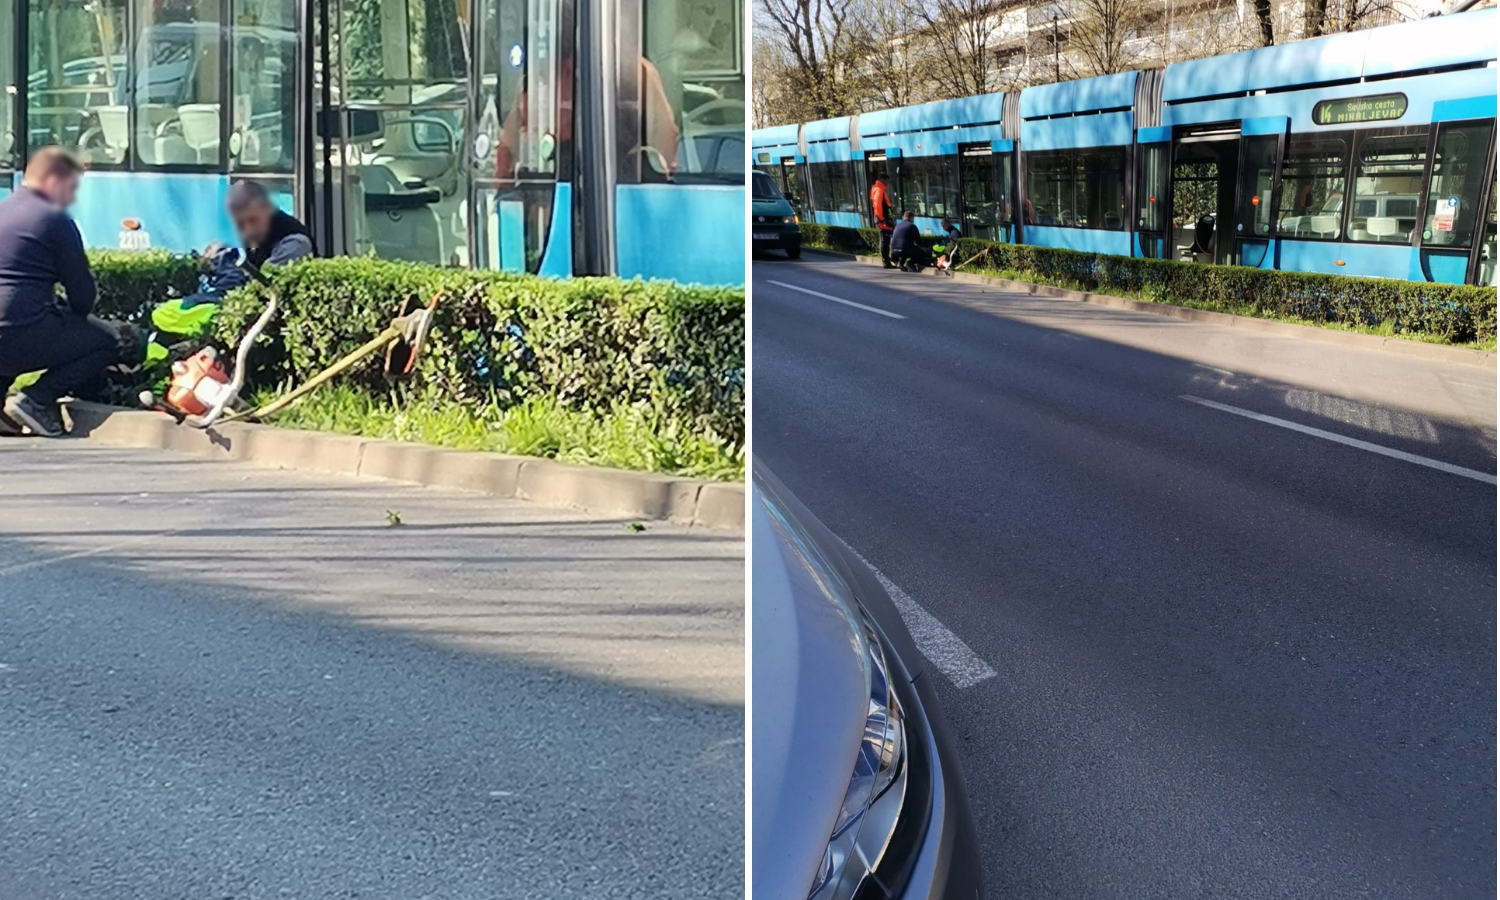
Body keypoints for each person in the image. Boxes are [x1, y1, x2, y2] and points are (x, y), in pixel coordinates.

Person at [0, 147, 116, 437]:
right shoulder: (54, 219)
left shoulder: (4, 209)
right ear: (53, 181)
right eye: (71, 187)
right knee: (105, 342)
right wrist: (82, 319)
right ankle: (37, 400)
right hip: (19, 331)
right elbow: (82, 296)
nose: (73, 198)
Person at [146, 180, 313, 364]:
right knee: (163, 318)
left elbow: (263, 286)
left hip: (265, 317)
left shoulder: (295, 243)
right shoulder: (256, 229)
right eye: (239, 223)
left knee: (175, 318)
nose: (246, 229)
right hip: (240, 304)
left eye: (252, 220)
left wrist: (227, 267)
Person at [870, 175, 896, 268]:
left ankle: (888, 260)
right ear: (882, 179)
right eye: (887, 181)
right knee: (885, 240)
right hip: (883, 220)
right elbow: (877, 205)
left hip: (884, 219)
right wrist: (882, 219)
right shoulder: (879, 190)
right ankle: (886, 262)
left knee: (886, 240)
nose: (887, 183)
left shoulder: (879, 189)